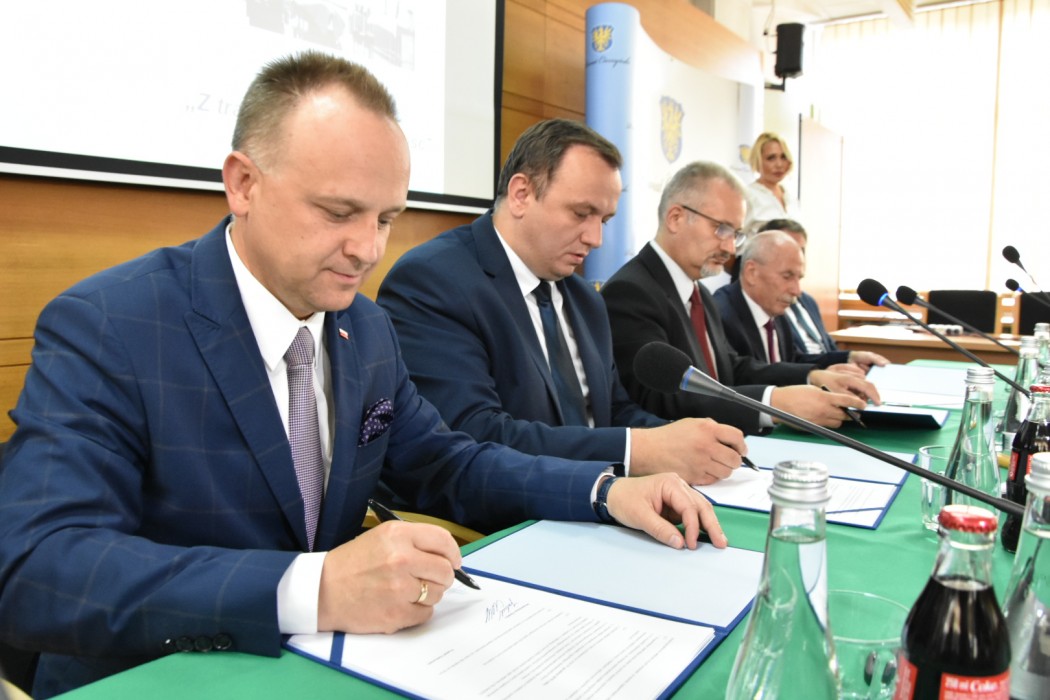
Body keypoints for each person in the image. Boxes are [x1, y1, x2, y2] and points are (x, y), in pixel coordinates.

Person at [0, 53, 728, 698]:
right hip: (158, 676)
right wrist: (314, 588)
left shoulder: (364, 328)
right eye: (338, 212)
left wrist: (603, 491)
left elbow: (445, 461)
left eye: (385, 219)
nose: (367, 249)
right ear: (243, 184)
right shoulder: (113, 324)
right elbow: (39, 567)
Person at [376, 119, 748, 488]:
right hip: (503, 514)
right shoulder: (434, 280)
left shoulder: (586, 299)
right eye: (581, 214)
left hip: (604, 501)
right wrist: (638, 449)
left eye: (604, 220)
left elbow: (613, 412)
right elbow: (473, 436)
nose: (596, 238)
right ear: (521, 194)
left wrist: (684, 441)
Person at [601, 161, 879, 434]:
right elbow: (660, 400)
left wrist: (811, 376)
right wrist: (774, 403)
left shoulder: (699, 294)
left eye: (735, 234)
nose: (730, 248)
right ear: (676, 218)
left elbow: (730, 369)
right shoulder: (631, 292)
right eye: (721, 229)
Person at [714, 230, 886, 375]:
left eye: (799, 278)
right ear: (752, 273)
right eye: (787, 276)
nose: (796, 291)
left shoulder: (773, 308)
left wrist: (849, 358)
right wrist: (812, 376)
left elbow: (793, 361)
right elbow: (743, 376)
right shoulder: (721, 314)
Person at [757, 218, 880, 363]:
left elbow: (829, 348)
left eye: (801, 250)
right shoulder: (766, 305)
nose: (796, 255)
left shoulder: (807, 301)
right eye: (788, 248)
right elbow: (793, 361)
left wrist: (850, 358)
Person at [744, 132, 802, 231]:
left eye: (783, 157)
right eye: (771, 158)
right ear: (758, 160)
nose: (779, 164)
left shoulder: (791, 198)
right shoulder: (747, 196)